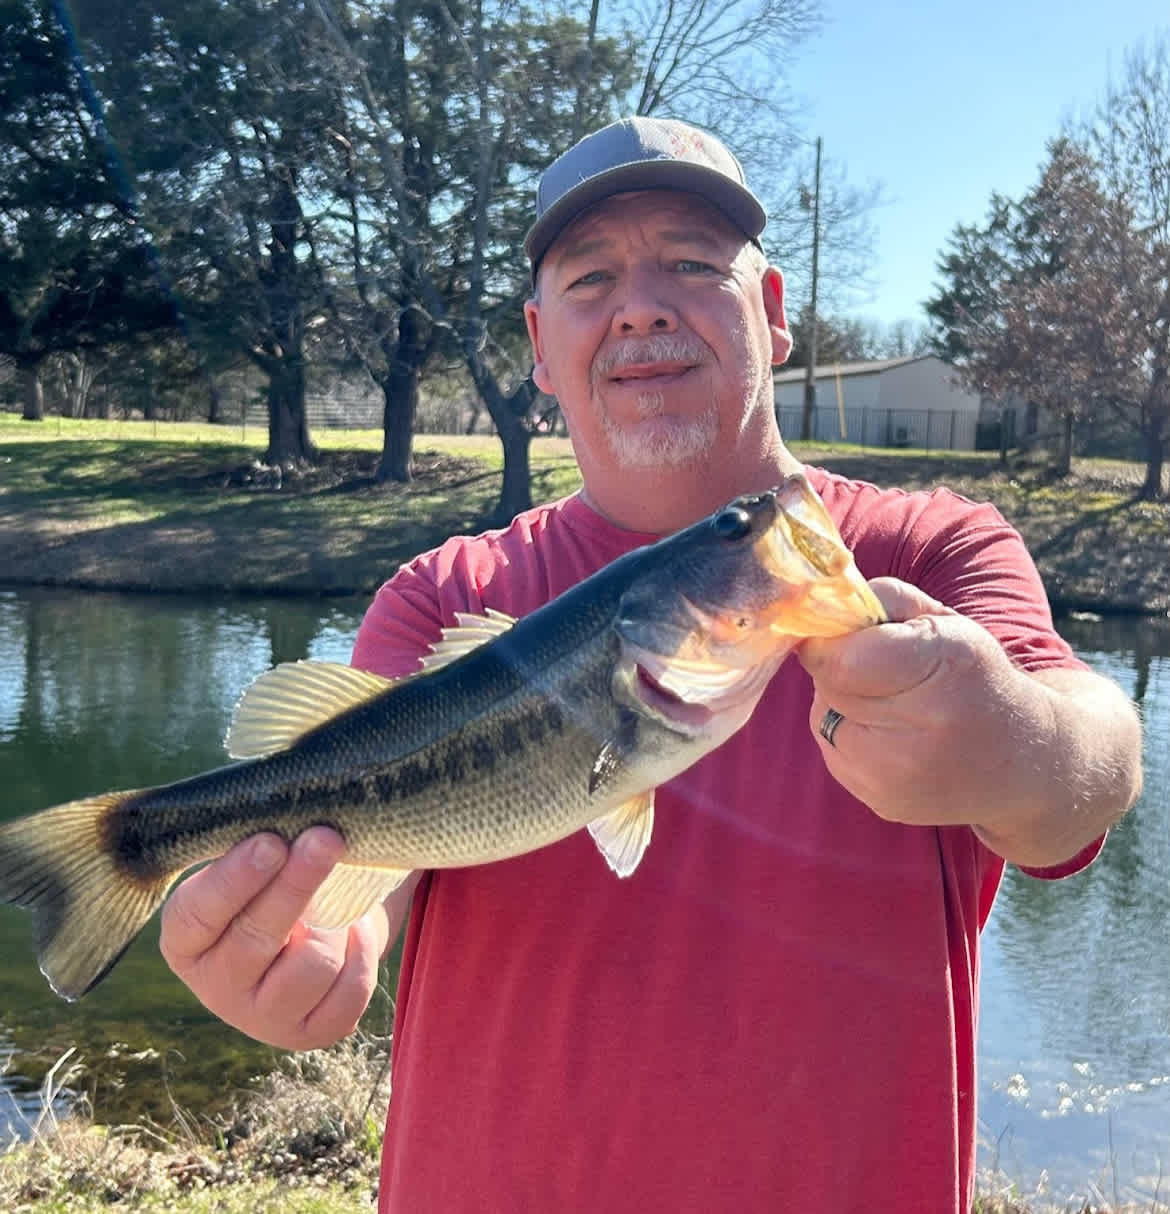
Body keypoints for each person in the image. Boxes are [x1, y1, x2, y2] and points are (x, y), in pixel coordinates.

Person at [159, 117, 1143, 1212]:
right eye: (591, 278)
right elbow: (358, 889)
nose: (639, 305)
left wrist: (1017, 738)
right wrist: (300, 949)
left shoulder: (930, 551)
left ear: (771, 316)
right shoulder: (444, 595)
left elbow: (1087, 769)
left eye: (689, 263)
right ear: (540, 343)